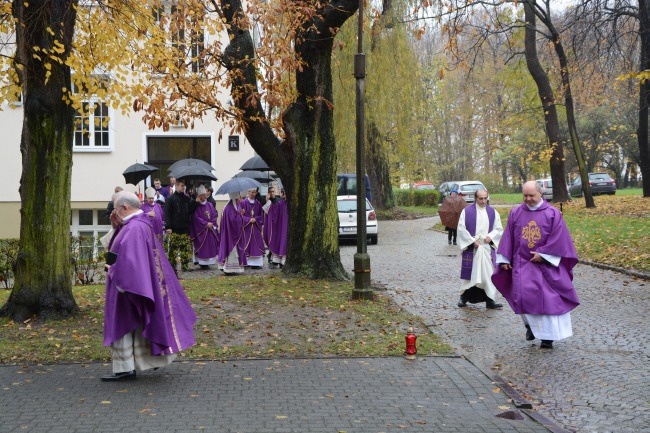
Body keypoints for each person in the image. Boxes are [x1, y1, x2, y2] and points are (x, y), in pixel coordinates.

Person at [101, 191, 197, 381]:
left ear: (125, 207)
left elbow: (130, 263)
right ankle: (129, 366)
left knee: (124, 324)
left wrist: (113, 271)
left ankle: (124, 368)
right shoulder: (136, 224)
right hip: (130, 285)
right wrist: (115, 227)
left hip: (126, 287)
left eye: (115, 209)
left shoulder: (135, 228)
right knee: (132, 325)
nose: (114, 213)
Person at [492, 181, 580, 349]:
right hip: (521, 264)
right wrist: (504, 259)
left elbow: (560, 238)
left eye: (531, 195)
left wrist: (544, 255)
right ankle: (531, 328)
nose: (528, 199)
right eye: (525, 195)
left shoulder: (553, 214)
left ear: (541, 193)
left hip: (545, 266)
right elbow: (508, 236)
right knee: (524, 297)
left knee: (547, 300)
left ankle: (547, 338)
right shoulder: (516, 212)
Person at [456, 188, 504, 309]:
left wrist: (491, 237)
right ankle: (464, 298)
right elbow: (461, 228)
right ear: (475, 198)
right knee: (471, 274)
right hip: (473, 249)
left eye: (485, 198)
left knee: (488, 275)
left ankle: (490, 300)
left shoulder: (493, 212)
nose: (483, 201)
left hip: (487, 248)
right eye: (480, 198)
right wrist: (472, 241)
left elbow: (498, 229)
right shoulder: (466, 212)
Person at [189, 185, 219, 269]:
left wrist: (212, 223)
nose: (205, 196)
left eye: (205, 195)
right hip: (201, 230)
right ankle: (202, 263)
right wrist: (206, 224)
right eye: (202, 195)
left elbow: (214, 214)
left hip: (210, 230)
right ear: (199, 196)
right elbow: (196, 217)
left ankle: (209, 262)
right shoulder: (197, 206)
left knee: (210, 245)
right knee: (203, 246)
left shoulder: (210, 204)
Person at [218, 191, 246, 274]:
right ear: (234, 199)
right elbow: (234, 222)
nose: (239, 200)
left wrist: (239, 213)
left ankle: (234, 269)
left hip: (232, 234)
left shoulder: (233, 207)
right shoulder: (229, 208)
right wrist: (240, 215)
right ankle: (230, 269)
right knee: (232, 251)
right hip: (231, 235)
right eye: (238, 199)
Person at [238, 188, 265, 269]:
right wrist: (248, 219)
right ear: (248, 192)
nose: (253, 194)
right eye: (252, 192)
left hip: (256, 228)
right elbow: (239, 215)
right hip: (246, 228)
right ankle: (246, 262)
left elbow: (261, 215)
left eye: (255, 192)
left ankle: (256, 264)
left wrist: (256, 219)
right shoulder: (243, 203)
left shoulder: (258, 203)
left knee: (257, 244)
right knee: (246, 244)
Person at [263, 183, 288, 268]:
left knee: (283, 242)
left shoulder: (281, 203)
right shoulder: (281, 203)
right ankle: (278, 260)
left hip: (284, 227)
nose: (278, 194)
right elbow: (272, 211)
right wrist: (267, 202)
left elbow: (272, 211)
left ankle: (282, 261)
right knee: (279, 241)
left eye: (280, 192)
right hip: (279, 227)